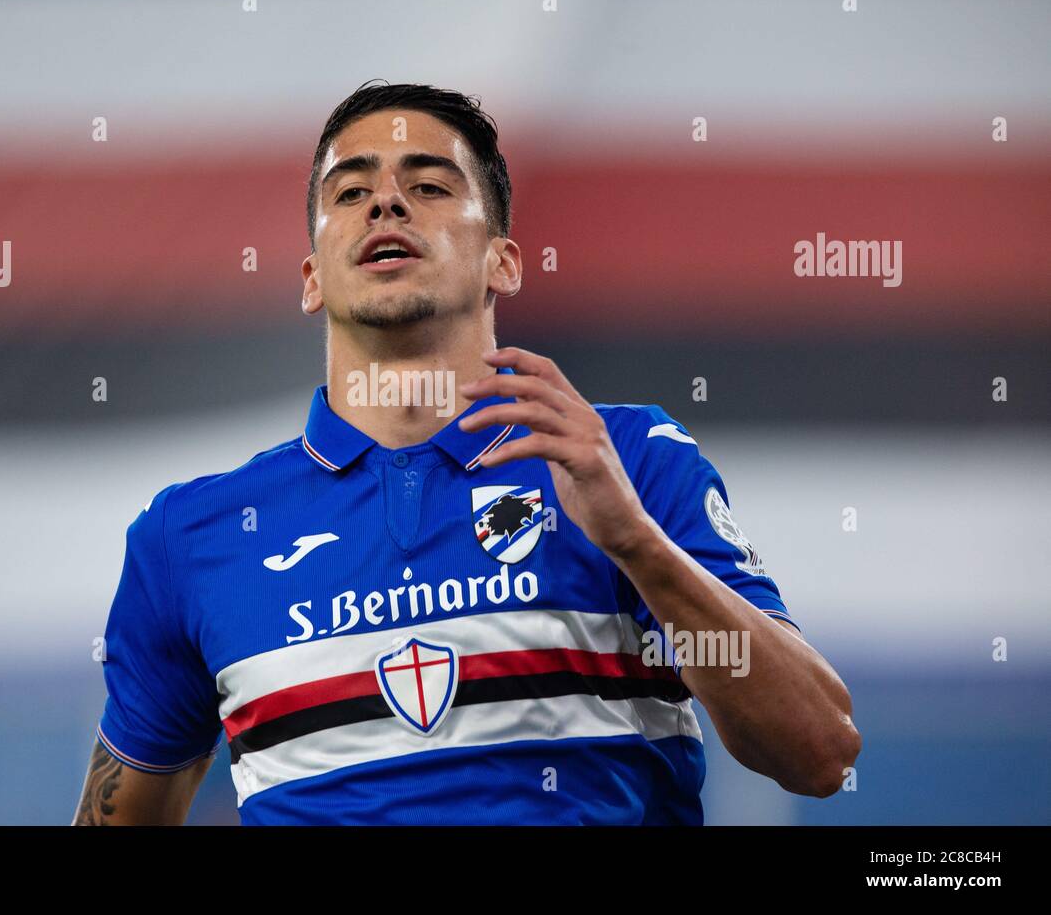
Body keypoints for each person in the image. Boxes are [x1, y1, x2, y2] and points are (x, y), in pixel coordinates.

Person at [73, 80, 860, 825]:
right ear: (312, 279)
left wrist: (635, 543)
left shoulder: (628, 458)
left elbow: (818, 752)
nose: (386, 200)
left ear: (503, 262)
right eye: (350, 192)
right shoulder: (189, 536)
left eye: (431, 186)